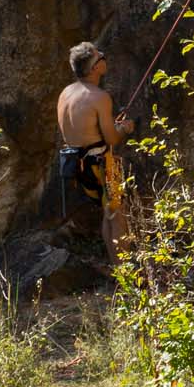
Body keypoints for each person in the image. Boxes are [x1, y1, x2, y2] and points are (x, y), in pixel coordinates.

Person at [56, 42, 134, 256]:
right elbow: (111, 138)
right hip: (101, 163)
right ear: (95, 68)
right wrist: (124, 129)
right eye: (102, 58)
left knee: (108, 212)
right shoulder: (99, 97)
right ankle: (124, 274)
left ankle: (118, 270)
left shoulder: (66, 93)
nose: (105, 59)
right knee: (118, 215)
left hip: (78, 166)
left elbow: (82, 129)